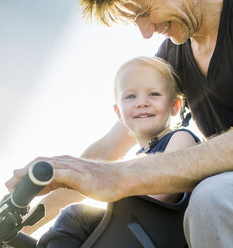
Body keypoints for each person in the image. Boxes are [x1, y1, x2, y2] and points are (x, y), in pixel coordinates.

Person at [0, 0, 233, 247]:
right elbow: (107, 150)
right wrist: (18, 220)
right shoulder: (174, 54)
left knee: (218, 197)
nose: (145, 30)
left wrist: (118, 177)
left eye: (145, 11)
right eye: (135, 19)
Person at [36, 56, 200, 247]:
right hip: (137, 230)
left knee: (77, 217)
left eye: (154, 94)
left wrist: (113, 188)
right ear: (118, 113)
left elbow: (164, 188)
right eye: (131, 96)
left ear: (175, 106)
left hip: (161, 233)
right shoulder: (141, 156)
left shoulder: (180, 137)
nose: (142, 102)